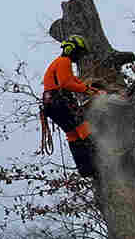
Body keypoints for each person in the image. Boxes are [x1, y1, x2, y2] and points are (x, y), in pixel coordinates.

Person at [42, 34, 102, 177]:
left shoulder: (58, 63)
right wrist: (87, 90)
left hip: (51, 106)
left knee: (73, 135)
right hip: (60, 102)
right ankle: (101, 157)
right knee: (84, 128)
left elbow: (75, 82)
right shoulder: (64, 61)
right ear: (71, 49)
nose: (79, 56)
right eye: (79, 52)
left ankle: (86, 169)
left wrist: (94, 91)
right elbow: (66, 84)